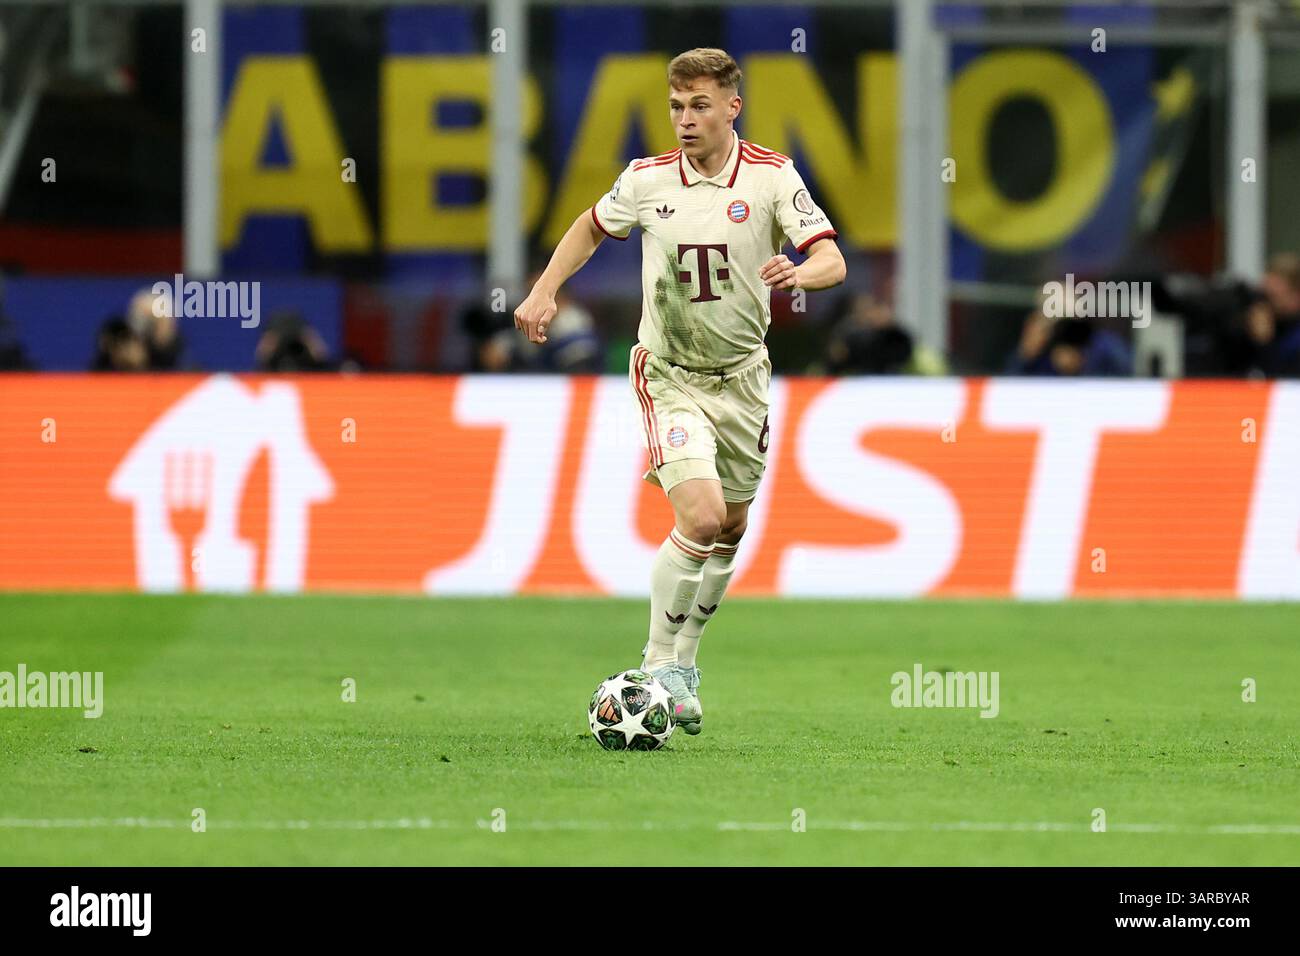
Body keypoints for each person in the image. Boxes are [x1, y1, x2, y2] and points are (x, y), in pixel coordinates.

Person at [513, 48, 846, 735]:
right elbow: (590, 226)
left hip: (744, 378)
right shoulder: (644, 180)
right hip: (669, 374)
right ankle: (658, 660)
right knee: (698, 518)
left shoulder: (773, 178)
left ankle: (685, 658)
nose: (685, 120)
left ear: (732, 106)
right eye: (675, 106)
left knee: (730, 526)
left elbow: (831, 260)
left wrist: (800, 276)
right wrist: (545, 291)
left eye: (699, 105)